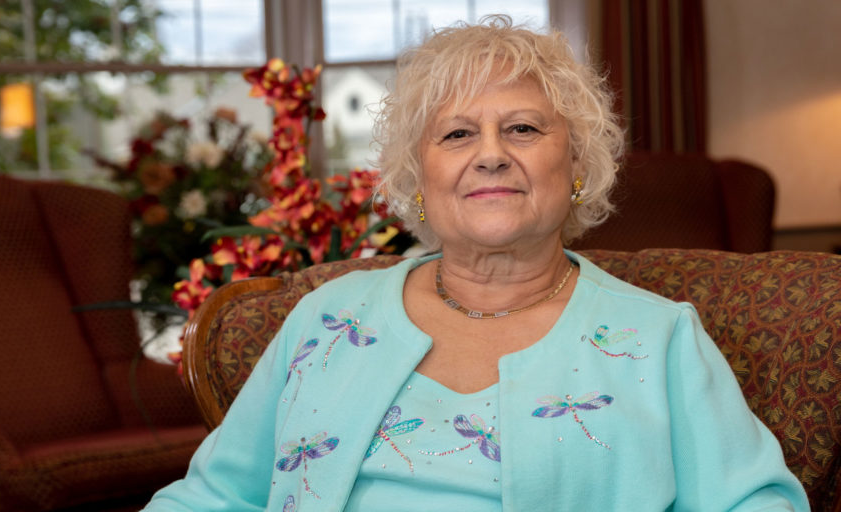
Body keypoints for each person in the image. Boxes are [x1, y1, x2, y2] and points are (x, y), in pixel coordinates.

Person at [144, 15, 809, 511]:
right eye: (458, 134)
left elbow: (756, 504)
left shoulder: (660, 339)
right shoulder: (326, 319)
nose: (490, 154)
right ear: (419, 177)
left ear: (575, 165)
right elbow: (212, 497)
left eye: (522, 128)